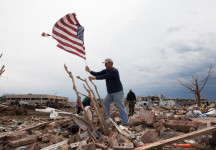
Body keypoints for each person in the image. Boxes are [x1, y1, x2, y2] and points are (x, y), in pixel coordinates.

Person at [86, 58, 128, 126]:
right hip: (110, 93)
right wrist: (89, 71)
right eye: (104, 63)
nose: (105, 64)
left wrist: (94, 78)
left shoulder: (114, 71)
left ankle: (125, 123)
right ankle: (106, 121)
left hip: (117, 92)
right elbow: (97, 73)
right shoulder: (105, 70)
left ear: (110, 63)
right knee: (105, 104)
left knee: (120, 106)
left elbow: (105, 76)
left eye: (106, 63)